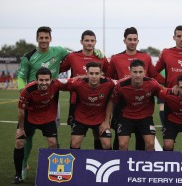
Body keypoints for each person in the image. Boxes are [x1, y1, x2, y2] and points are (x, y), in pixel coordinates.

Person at [16, 26, 69, 179]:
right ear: (37, 38)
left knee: (54, 136)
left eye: (46, 37)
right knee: (27, 135)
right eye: (41, 37)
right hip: (31, 101)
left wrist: (97, 53)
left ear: (50, 39)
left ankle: (56, 168)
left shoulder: (58, 51)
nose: (44, 40)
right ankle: (24, 165)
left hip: (52, 100)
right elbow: (20, 77)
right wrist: (23, 93)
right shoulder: (29, 56)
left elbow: (75, 56)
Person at [106, 27, 164, 150]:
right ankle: (120, 166)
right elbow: (108, 79)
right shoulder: (116, 58)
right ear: (124, 41)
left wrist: (171, 84)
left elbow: (154, 75)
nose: (132, 42)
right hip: (122, 104)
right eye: (130, 39)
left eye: (135, 39)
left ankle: (139, 167)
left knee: (142, 141)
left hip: (142, 103)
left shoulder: (146, 57)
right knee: (120, 141)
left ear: (138, 41)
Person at [12, 68, 64, 184]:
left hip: (48, 118)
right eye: (41, 80)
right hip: (29, 118)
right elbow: (21, 111)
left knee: (53, 143)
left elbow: (72, 81)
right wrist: (20, 129)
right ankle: (18, 174)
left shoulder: (56, 84)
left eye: (46, 80)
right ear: (36, 80)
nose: (44, 82)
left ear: (51, 80)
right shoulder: (27, 91)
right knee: (19, 142)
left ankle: (54, 173)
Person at [60, 30, 109, 150]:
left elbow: (110, 75)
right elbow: (59, 69)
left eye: (92, 41)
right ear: (81, 42)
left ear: (95, 42)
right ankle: (75, 166)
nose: (89, 43)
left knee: (99, 135)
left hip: (98, 103)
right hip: (76, 102)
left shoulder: (101, 58)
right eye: (86, 40)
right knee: (76, 140)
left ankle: (99, 162)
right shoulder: (72, 56)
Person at [102, 59, 161, 151]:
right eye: (135, 72)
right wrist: (106, 121)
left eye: (140, 72)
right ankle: (123, 164)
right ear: (130, 72)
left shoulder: (153, 84)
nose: (137, 75)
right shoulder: (121, 86)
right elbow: (111, 101)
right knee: (122, 144)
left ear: (144, 72)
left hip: (145, 117)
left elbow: (164, 94)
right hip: (126, 117)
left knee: (150, 144)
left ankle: (146, 164)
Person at [62, 62, 114, 150]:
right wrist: (80, 77)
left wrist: (106, 121)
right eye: (91, 73)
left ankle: (102, 162)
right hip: (81, 118)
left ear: (101, 74)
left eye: (97, 73)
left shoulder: (109, 84)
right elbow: (58, 84)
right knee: (75, 143)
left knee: (107, 144)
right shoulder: (78, 84)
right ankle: (76, 163)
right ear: (87, 74)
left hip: (100, 119)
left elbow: (112, 98)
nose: (94, 76)